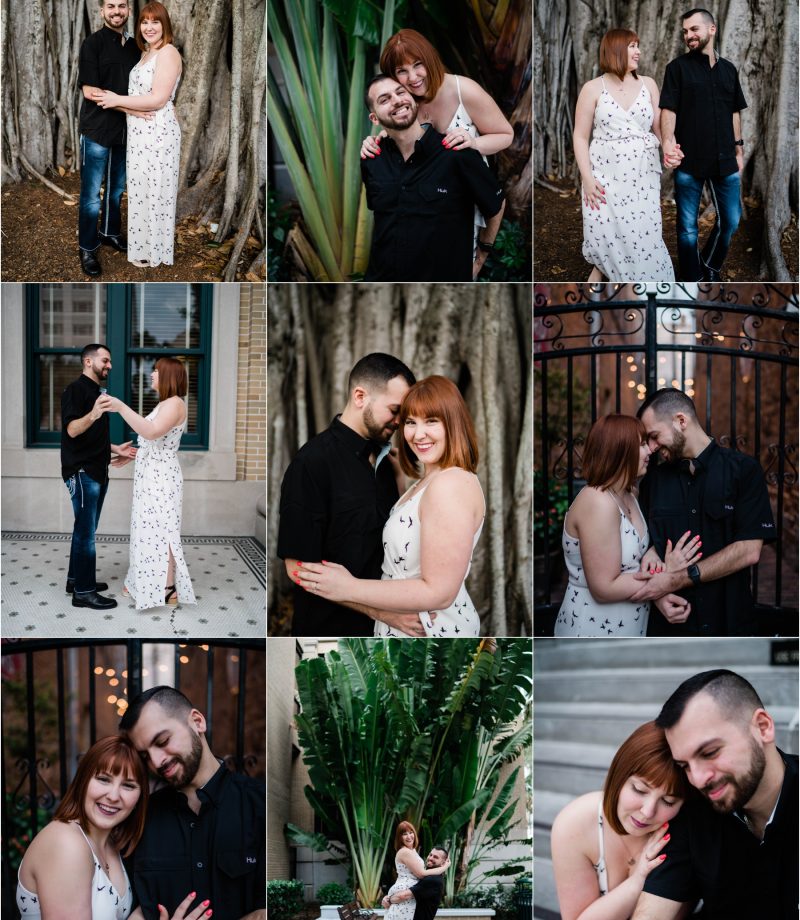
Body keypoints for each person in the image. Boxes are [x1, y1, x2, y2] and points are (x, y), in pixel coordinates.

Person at [294, 376, 485, 637]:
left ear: (453, 423)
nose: (418, 434)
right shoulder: (427, 482)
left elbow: (439, 593)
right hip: (400, 630)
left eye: (431, 421)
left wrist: (349, 587)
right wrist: (397, 480)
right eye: (410, 422)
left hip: (430, 634)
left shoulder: (449, 484)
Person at [278, 353, 427, 638]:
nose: (399, 422)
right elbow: (297, 567)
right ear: (360, 396)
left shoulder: (387, 463)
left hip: (388, 633)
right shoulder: (312, 463)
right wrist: (383, 613)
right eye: (394, 410)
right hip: (331, 632)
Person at [632, 669, 798, 919]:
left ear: (762, 728)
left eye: (709, 753)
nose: (697, 779)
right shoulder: (694, 810)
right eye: (684, 766)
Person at [633, 388, 776, 636]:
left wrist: (677, 579)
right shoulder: (653, 480)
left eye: (654, 436)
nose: (652, 447)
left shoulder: (744, 471)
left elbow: (749, 551)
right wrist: (657, 591)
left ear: (681, 421)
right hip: (669, 626)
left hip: (729, 621)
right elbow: (640, 545)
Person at [362, 28, 514, 255]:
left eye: (417, 64)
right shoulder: (406, 100)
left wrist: (473, 143)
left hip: (466, 198)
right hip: (423, 207)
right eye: (401, 71)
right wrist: (375, 141)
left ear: (430, 59)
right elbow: (399, 134)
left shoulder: (464, 90)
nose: (413, 78)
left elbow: (506, 135)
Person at [120, 686, 266, 920]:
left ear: (197, 722)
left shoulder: (260, 805)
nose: (157, 762)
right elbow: (133, 909)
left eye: (163, 740)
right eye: (145, 755)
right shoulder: (140, 816)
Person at [553, 414, 701, 637]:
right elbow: (604, 587)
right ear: (619, 451)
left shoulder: (630, 493)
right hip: (593, 629)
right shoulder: (598, 501)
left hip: (628, 624)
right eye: (641, 444)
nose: (650, 450)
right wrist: (666, 578)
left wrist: (655, 563)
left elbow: (630, 560)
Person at [360, 75, 505, 281]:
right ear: (374, 118)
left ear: (412, 100)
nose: (397, 100)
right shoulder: (372, 159)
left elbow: (496, 205)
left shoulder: (456, 153)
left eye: (400, 92)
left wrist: (480, 258)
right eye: (385, 99)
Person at [551, 721, 689, 920]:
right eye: (639, 790)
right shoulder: (575, 824)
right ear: (619, 777)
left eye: (668, 801)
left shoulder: (683, 827)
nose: (648, 811)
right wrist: (638, 880)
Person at [573, 29, 677, 282]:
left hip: (642, 174)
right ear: (616, 50)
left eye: (637, 45)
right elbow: (580, 136)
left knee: (642, 231)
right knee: (606, 229)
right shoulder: (592, 89)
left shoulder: (648, 84)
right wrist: (587, 178)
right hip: (605, 174)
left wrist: (668, 147)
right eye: (632, 46)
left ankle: (643, 285)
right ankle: (602, 277)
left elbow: (658, 127)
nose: (638, 51)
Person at [660, 9, 747, 282]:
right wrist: (667, 142)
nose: (689, 36)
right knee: (687, 228)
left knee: (731, 221)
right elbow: (668, 111)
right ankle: (692, 277)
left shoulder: (729, 70)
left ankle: (709, 264)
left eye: (694, 29)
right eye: (685, 31)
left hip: (725, 158)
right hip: (690, 159)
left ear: (712, 29)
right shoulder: (677, 69)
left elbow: (734, 112)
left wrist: (739, 149)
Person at [94, 2, 182, 267]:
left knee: (156, 191)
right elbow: (139, 97)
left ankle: (157, 251)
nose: (149, 27)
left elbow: (157, 99)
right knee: (142, 190)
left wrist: (116, 99)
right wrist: (121, 104)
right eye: (145, 22)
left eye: (155, 22)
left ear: (164, 24)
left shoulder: (168, 53)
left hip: (158, 132)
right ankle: (143, 246)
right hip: (139, 133)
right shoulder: (144, 54)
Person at [104, 357, 196, 610]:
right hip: (151, 474)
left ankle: (167, 589)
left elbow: (152, 432)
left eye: (156, 371)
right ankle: (143, 582)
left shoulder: (175, 403)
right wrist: (131, 455)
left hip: (162, 478)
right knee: (147, 532)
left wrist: (122, 407)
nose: (152, 375)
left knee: (162, 530)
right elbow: (152, 440)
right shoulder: (165, 403)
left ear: (168, 376)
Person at [62, 343, 138, 610]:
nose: (109, 365)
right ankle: (84, 592)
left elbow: (91, 438)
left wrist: (116, 449)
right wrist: (94, 414)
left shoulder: (98, 391)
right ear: (88, 362)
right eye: (105, 360)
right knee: (86, 535)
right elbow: (72, 430)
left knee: (84, 529)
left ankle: (75, 580)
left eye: (109, 361)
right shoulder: (75, 390)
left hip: (97, 470)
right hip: (82, 472)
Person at [77, 0, 144, 276]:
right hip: (96, 128)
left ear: (129, 9)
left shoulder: (136, 47)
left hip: (126, 130)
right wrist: (129, 106)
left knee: (116, 189)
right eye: (111, 6)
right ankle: (88, 248)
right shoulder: (92, 44)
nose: (116, 11)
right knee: (92, 195)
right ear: (101, 10)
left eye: (121, 6)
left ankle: (109, 232)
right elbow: (90, 92)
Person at [380, 822, 450, 920]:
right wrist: (444, 867)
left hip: (405, 898)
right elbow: (421, 873)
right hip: (403, 897)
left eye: (411, 832)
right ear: (399, 838)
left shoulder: (412, 851)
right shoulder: (405, 851)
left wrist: (390, 898)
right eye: (404, 834)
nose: (409, 836)